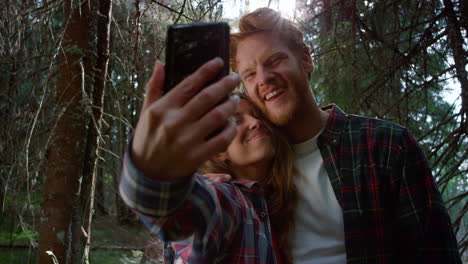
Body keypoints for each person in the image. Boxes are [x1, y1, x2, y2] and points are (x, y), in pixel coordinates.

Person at [223, 7, 461, 263]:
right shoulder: (251, 167)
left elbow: (437, 254)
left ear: (305, 60)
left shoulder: (386, 146)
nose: (264, 78)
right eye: (249, 74)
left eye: (274, 61)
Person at [120, 91, 297, 263]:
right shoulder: (230, 199)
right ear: (218, 152)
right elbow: (185, 208)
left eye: (258, 115)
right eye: (236, 121)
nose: (255, 122)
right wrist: (150, 170)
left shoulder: (270, 205)